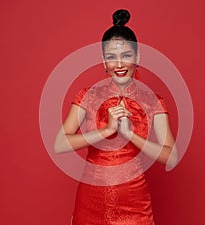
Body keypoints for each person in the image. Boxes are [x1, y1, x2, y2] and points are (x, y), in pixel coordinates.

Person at [54, 9, 177, 225]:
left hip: (134, 205)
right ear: (103, 61)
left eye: (126, 56)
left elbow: (171, 158)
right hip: (90, 203)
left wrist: (130, 135)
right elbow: (60, 143)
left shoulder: (152, 101)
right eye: (111, 57)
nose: (119, 64)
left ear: (137, 57)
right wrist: (106, 131)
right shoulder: (89, 96)